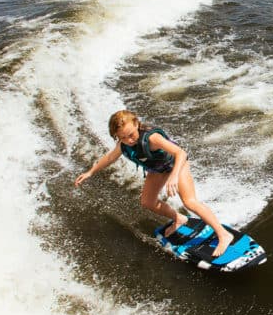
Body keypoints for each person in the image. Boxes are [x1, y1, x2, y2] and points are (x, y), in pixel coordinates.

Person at [75, 110, 235, 257]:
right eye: (122, 137)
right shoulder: (123, 144)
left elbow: (181, 153)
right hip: (158, 169)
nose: (128, 140)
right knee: (147, 202)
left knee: (189, 201)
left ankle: (223, 234)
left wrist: (173, 176)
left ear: (137, 124)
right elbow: (110, 158)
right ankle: (179, 218)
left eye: (131, 135)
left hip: (176, 165)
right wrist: (90, 172)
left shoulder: (151, 138)